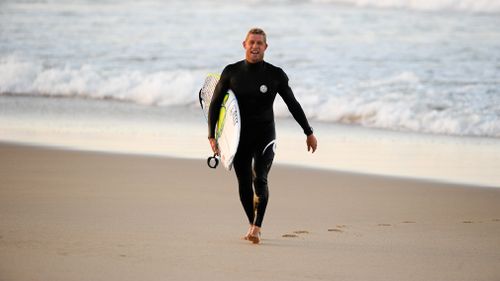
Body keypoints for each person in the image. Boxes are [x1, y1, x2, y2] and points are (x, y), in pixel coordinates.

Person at [207, 28, 317, 244]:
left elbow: (293, 104)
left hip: (265, 134)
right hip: (239, 137)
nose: (255, 46)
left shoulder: (275, 75)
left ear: (266, 47)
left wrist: (308, 132)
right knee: (243, 183)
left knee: (260, 178)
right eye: (252, 42)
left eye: (259, 43)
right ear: (244, 45)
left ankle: (257, 227)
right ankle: (251, 222)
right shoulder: (231, 72)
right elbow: (216, 104)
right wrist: (212, 136)